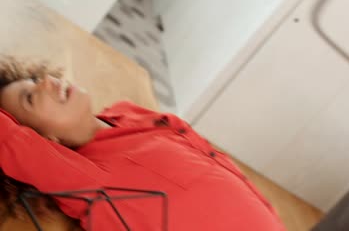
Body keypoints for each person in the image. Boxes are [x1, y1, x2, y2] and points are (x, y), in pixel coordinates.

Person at [0, 57, 286, 231]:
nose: (48, 81)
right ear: (45, 142)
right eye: (32, 97)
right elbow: (9, 138)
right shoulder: (82, 177)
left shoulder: (129, 115)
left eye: (36, 79)